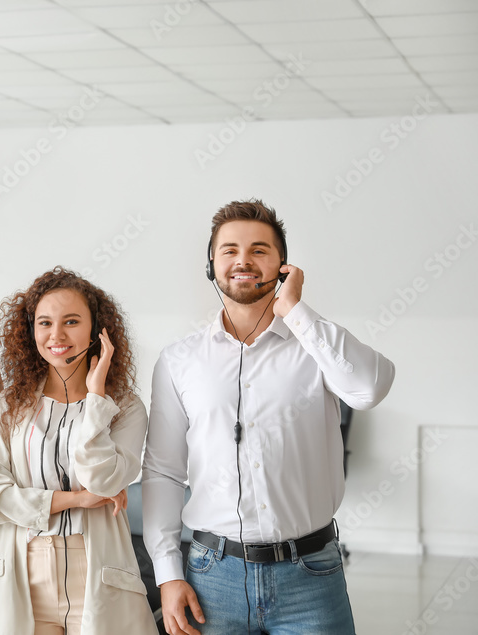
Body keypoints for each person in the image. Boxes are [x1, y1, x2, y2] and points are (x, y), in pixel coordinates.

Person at [141, 200, 396, 634]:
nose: (243, 260)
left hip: (311, 573)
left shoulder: (315, 347)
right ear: (211, 266)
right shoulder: (179, 360)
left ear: (282, 266)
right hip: (212, 575)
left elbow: (369, 389)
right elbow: (163, 471)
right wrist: (167, 573)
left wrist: (295, 311)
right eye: (230, 250)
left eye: (259, 250)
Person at [0, 267, 156, 635]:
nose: (56, 335)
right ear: (30, 331)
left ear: (97, 330)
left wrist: (96, 397)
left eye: (71, 321)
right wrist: (74, 501)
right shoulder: (8, 407)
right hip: (23, 574)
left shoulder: (125, 407)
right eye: (45, 323)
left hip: (98, 573)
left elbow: (101, 479)